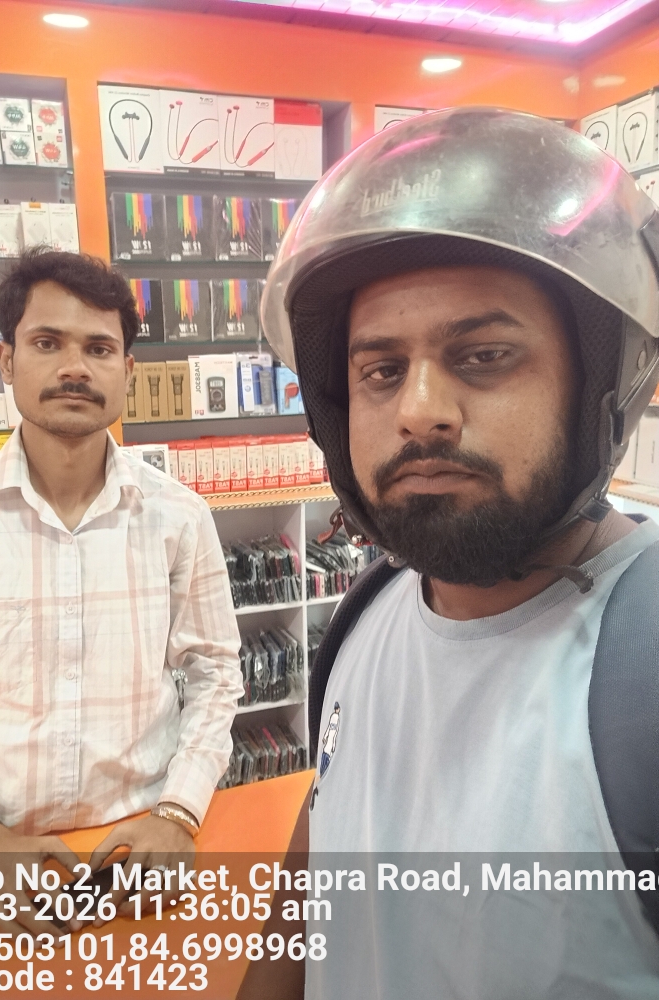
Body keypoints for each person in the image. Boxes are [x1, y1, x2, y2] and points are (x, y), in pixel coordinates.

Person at [242, 108, 659, 998]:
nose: (419, 412)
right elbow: (310, 892)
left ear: (602, 381)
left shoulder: (643, 670)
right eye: (380, 371)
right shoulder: (366, 618)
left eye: (484, 355)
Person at [0, 249, 242, 938]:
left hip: (140, 860)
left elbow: (215, 676)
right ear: (6, 361)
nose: (74, 368)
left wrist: (178, 811)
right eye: (47, 343)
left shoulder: (180, 517)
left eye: (98, 348)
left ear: (128, 371)